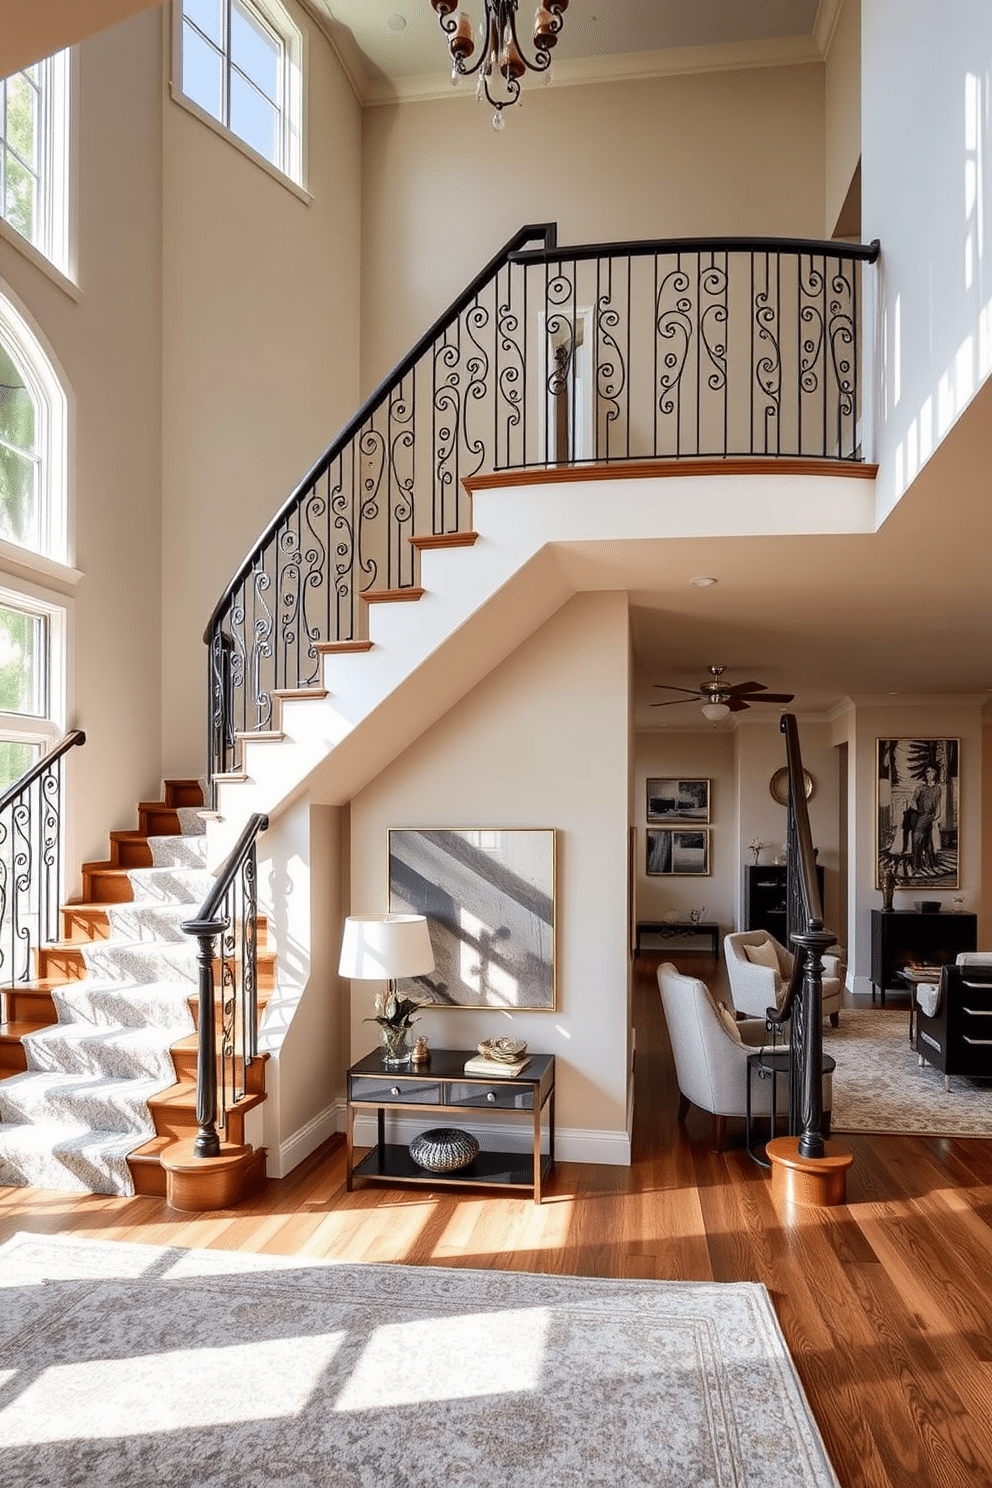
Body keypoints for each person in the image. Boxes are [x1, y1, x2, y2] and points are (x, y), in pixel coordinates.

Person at [911, 767, 942, 873]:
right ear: (925, 774)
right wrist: (919, 812)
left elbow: (938, 804)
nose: (930, 774)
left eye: (933, 771)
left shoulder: (938, 789)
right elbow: (913, 802)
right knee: (919, 840)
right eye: (928, 772)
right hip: (921, 817)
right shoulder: (920, 788)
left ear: (936, 774)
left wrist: (937, 815)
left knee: (926, 840)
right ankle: (918, 865)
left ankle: (929, 864)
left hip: (930, 817)